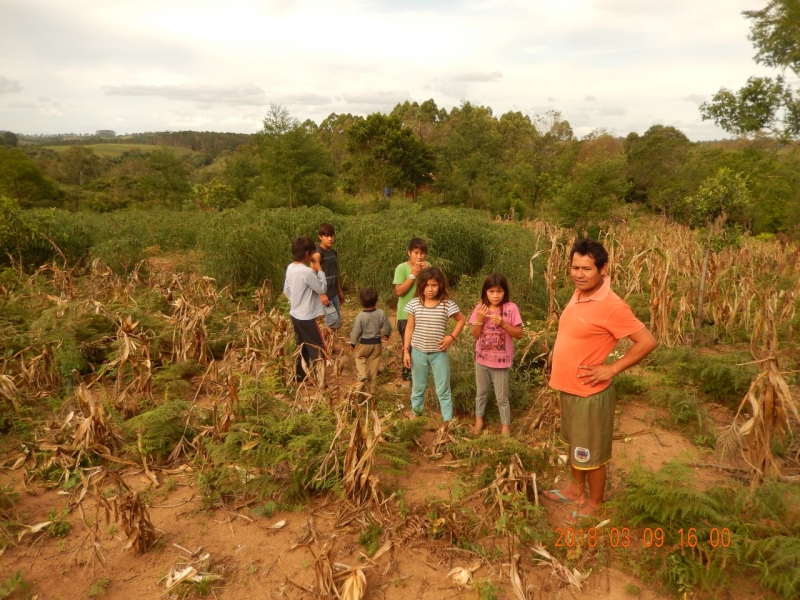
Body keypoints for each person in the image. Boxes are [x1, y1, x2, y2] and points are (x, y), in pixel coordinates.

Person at [544, 239, 657, 522]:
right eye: (575, 267)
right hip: (570, 389)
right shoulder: (579, 293)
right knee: (575, 446)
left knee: (590, 453)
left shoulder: (612, 305)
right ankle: (574, 489)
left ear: (603, 269)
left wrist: (612, 368)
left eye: (587, 269)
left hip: (590, 395)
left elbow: (647, 341)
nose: (579, 274)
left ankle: (594, 502)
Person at [402, 267, 466, 421]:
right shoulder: (414, 304)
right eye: (427, 285)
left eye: (434, 285)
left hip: (439, 353)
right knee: (418, 388)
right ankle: (416, 417)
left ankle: (447, 421)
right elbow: (409, 327)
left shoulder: (446, 305)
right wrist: (406, 350)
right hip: (418, 352)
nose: (430, 289)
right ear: (421, 286)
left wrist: (451, 337)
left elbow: (461, 320)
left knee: (443, 389)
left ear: (440, 286)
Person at [469, 274, 524, 435]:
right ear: (485, 292)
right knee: (481, 392)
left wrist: (502, 323)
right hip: (482, 360)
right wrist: (479, 319)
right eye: (491, 291)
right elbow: (475, 334)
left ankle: (505, 426)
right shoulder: (480, 308)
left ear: (504, 292)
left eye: (499, 291)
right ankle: (479, 419)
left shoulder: (511, 308)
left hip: (500, 363)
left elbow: (519, 333)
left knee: (502, 397)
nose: (495, 295)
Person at [283, 236, 327, 382]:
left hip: (295, 314)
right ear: (308, 254)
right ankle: (319, 380)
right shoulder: (306, 272)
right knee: (318, 348)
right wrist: (319, 269)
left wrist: (296, 301)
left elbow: (286, 290)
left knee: (301, 346)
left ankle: (300, 376)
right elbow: (322, 288)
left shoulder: (291, 268)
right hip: (307, 317)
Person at [393, 238, 429, 386]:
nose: (419, 257)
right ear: (409, 253)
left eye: (422, 253)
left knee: (423, 345)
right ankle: (407, 376)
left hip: (424, 313)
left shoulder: (428, 267)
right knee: (408, 345)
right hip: (405, 315)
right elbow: (399, 291)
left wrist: (426, 271)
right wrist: (413, 275)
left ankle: (421, 375)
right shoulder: (402, 268)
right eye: (416, 253)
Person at [349, 288, 392, 394]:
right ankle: (372, 390)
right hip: (377, 344)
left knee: (359, 356)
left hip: (364, 344)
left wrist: (353, 344)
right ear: (376, 300)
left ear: (361, 301)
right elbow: (388, 327)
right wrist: (386, 335)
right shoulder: (380, 313)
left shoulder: (361, 316)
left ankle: (363, 375)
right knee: (374, 366)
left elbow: (356, 332)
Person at [313, 223, 345, 334]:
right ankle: (324, 343)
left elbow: (335, 274)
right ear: (320, 237)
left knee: (336, 321)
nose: (330, 238)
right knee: (333, 320)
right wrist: (321, 294)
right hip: (325, 296)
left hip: (333, 294)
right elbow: (312, 275)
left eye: (332, 236)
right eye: (326, 236)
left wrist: (339, 292)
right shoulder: (318, 253)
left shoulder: (333, 253)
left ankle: (332, 344)